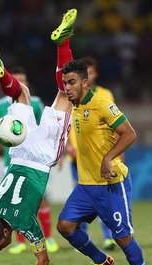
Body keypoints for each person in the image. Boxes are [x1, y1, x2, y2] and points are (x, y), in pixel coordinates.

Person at [54, 10, 152, 265]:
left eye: (72, 82)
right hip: (87, 185)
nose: (67, 87)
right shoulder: (73, 106)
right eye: (66, 83)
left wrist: (109, 157)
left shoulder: (101, 104)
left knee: (122, 237)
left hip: (111, 184)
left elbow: (130, 133)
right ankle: (100, 260)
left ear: (85, 82)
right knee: (65, 226)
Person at [0, 25, 71, 265]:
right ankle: (2, 73)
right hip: (18, 152)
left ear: (6, 236)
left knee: (65, 94)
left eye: (0, 246)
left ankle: (63, 42)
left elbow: (43, 260)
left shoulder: (25, 222)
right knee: (21, 94)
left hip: (42, 158)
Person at [0, 67, 59, 254]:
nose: (20, 84)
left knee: (40, 201)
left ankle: (48, 237)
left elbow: (46, 126)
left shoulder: (35, 103)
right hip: (12, 160)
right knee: (13, 204)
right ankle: (19, 241)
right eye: (16, 80)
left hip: (34, 158)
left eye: (22, 80)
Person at [66, 56, 116, 251]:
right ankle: (83, 237)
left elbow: (112, 123)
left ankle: (108, 237)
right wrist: (67, 146)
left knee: (104, 200)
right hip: (77, 158)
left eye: (92, 71)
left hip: (99, 156)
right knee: (82, 199)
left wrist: (113, 154)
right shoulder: (71, 97)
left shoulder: (104, 95)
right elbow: (69, 124)